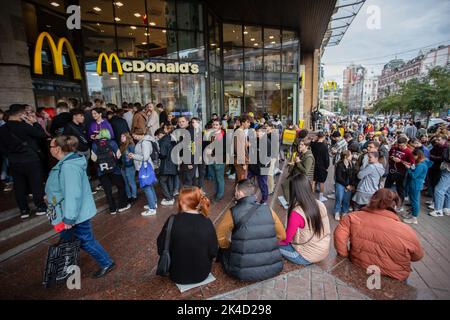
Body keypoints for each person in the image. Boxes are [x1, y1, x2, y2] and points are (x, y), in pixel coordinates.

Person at [45, 135, 115, 278]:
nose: (49, 149)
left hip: (73, 214)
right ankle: (66, 267)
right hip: (69, 212)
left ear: (58, 149)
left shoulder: (68, 166)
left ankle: (106, 262)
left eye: (51, 146)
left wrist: (69, 218)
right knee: (70, 240)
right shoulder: (69, 163)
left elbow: (73, 194)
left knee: (85, 241)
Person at [334, 189, 423, 281]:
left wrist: (345, 256)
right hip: (394, 277)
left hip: (359, 265)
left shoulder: (352, 217)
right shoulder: (407, 230)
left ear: (372, 199)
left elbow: (339, 238)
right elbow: (417, 256)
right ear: (395, 206)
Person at [216, 180, 285, 280]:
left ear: (239, 193)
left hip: (241, 272)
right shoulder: (268, 210)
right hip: (273, 268)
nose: (234, 193)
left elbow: (220, 236)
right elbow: (282, 235)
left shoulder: (233, 212)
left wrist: (228, 246)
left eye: (235, 191)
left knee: (222, 251)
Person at [157, 187, 217, 284]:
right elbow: (213, 251)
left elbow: (161, 247)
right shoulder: (207, 222)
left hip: (177, 275)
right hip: (202, 274)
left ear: (183, 203)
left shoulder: (172, 221)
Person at [0, 104, 47, 218]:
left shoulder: (2, 129)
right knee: (35, 184)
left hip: (14, 161)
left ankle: (24, 211)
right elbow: (41, 135)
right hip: (30, 159)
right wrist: (35, 122)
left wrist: (11, 155)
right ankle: (40, 207)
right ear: (21, 114)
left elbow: (1, 148)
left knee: (19, 186)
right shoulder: (24, 126)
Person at [279, 174, 331, 265]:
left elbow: (286, 240)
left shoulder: (297, 213)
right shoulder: (320, 204)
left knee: (273, 245)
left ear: (294, 191)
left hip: (305, 257)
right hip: (324, 251)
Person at [91, 129, 130, 215]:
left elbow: (93, 159)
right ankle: (122, 205)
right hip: (114, 170)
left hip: (101, 171)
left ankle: (112, 209)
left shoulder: (95, 145)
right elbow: (118, 155)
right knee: (121, 186)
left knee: (107, 190)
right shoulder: (112, 143)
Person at [129, 132, 159, 216]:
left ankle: (152, 208)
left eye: (134, 134)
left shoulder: (144, 142)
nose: (133, 136)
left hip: (145, 167)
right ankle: (153, 203)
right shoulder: (144, 140)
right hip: (145, 166)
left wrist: (134, 156)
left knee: (146, 186)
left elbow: (145, 157)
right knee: (149, 185)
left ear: (141, 133)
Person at [280, 138, 315, 208]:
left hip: (301, 178)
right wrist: (293, 163)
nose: (299, 146)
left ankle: (290, 203)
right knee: (286, 186)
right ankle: (290, 203)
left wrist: (298, 162)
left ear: (307, 146)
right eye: (300, 144)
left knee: (291, 189)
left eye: (302, 145)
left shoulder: (309, 157)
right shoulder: (302, 153)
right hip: (296, 175)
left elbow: (305, 171)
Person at [401, 149, 432, 224]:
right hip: (417, 184)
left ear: (418, 156)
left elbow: (413, 175)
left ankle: (414, 218)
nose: (413, 158)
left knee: (414, 201)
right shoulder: (424, 162)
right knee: (414, 200)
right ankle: (412, 215)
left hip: (415, 184)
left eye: (414, 156)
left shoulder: (421, 165)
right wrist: (411, 167)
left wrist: (408, 169)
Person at [385, 136, 415, 206]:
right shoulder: (394, 148)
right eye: (398, 145)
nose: (399, 147)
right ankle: (385, 201)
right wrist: (392, 157)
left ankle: (400, 204)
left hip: (401, 173)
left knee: (400, 189)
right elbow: (389, 156)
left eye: (401, 145)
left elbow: (412, 165)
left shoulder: (409, 152)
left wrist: (400, 161)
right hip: (392, 171)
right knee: (387, 187)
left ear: (406, 144)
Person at [205, 119, 227, 202]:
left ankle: (219, 195)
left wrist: (213, 151)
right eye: (213, 125)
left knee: (219, 178)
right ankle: (217, 192)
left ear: (220, 126)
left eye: (217, 125)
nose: (214, 126)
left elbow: (225, 149)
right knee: (215, 178)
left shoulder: (224, 135)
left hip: (220, 159)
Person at [155, 128, 177, 206]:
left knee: (162, 181)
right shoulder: (172, 139)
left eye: (157, 136)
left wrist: (158, 155)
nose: (158, 138)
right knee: (170, 180)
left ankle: (168, 198)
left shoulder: (163, 141)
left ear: (160, 134)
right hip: (173, 163)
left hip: (166, 165)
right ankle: (171, 196)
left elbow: (163, 154)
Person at [429, 142, 450, 217]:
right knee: (447, 190)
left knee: (439, 190)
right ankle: (446, 208)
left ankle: (438, 210)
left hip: (448, 170)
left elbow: (446, 158)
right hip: (447, 169)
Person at [334, 151, 356, 221]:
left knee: (346, 199)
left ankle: (344, 212)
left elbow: (353, 175)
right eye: (350, 155)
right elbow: (338, 177)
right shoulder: (339, 164)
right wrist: (347, 185)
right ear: (346, 156)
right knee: (339, 198)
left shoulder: (351, 164)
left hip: (348, 184)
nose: (352, 156)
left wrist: (352, 185)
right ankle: (337, 212)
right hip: (340, 183)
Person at [311, 132, 330, 202]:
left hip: (314, 164)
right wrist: (326, 165)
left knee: (313, 181)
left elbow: (312, 143)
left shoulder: (314, 144)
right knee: (321, 182)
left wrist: (314, 139)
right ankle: (321, 197)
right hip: (321, 166)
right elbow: (326, 158)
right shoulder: (324, 146)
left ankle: (311, 197)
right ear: (323, 137)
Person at [119, 132, 137, 203]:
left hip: (130, 167)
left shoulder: (131, 146)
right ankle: (129, 196)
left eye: (123, 136)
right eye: (121, 136)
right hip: (123, 167)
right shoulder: (121, 146)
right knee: (126, 182)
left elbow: (134, 156)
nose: (121, 138)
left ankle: (134, 196)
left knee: (131, 182)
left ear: (127, 137)